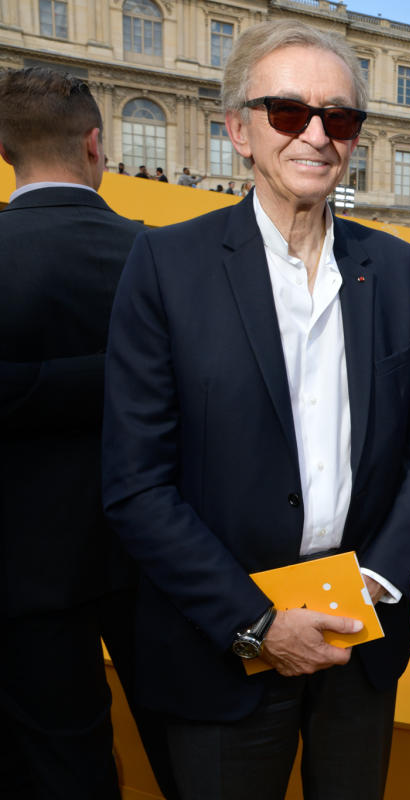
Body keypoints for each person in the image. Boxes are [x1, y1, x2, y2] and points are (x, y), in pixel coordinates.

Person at [102, 20, 410, 799]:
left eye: (341, 117)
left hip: (360, 639)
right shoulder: (166, 265)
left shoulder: (395, 269)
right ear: (239, 130)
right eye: (289, 112)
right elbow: (136, 483)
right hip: (221, 646)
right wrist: (257, 622)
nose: (318, 135)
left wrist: (380, 581)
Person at [0, 66, 176, 800]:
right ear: (97, 145)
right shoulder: (164, 256)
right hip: (156, 561)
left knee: (62, 769)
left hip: (21, 574)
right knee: (191, 752)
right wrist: (128, 372)